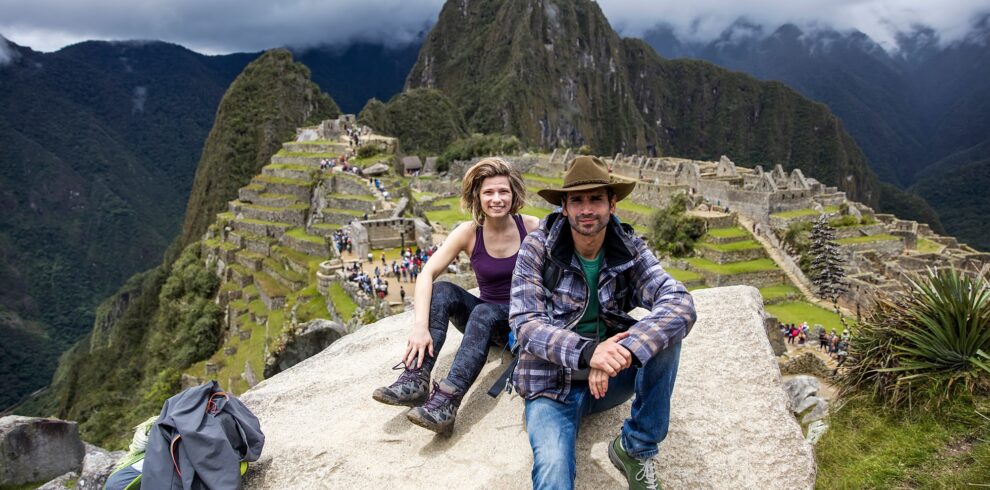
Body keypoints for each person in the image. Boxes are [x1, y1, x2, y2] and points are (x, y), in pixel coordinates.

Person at [509, 156, 697, 490]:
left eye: (596, 199)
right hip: (549, 385)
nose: (586, 209)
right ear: (563, 207)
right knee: (553, 473)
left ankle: (635, 448)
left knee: (666, 339)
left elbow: (679, 303)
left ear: (613, 203)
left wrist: (620, 350)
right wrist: (588, 353)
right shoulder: (537, 249)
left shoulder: (629, 249)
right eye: (577, 200)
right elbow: (526, 325)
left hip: (609, 378)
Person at [372, 157, 540, 434]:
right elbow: (426, 275)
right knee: (444, 290)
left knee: (483, 312)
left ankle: (447, 402)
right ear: (477, 195)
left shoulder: (533, 228)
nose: (496, 199)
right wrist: (419, 328)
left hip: (521, 323)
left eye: (503, 191)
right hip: (486, 319)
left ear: (514, 194)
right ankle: (416, 378)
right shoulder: (469, 232)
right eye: (488, 192)